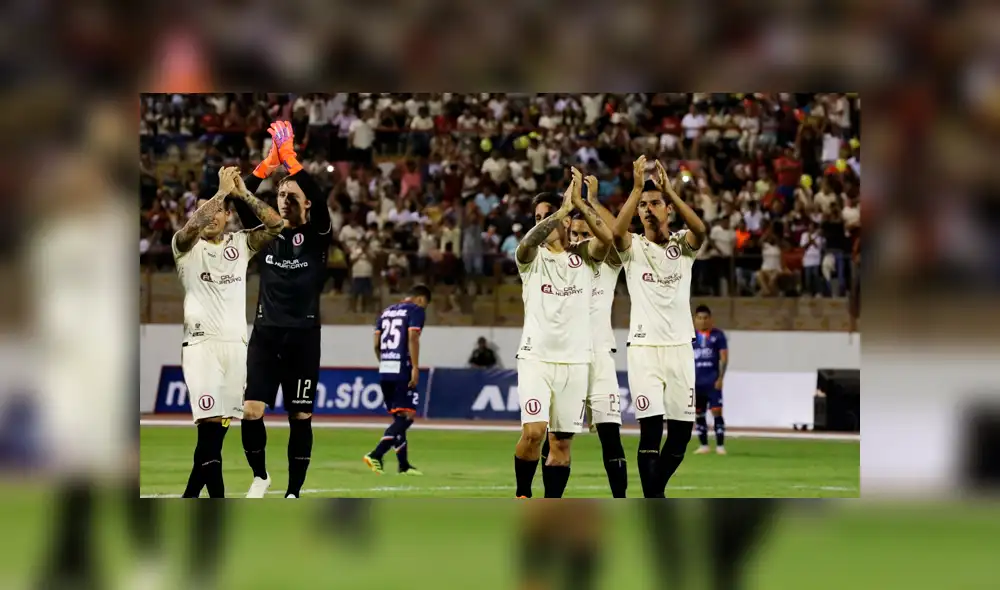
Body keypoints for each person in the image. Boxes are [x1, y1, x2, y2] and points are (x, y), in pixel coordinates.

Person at [232, 121, 333, 499]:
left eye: (293, 195)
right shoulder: (265, 233)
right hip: (266, 334)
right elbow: (239, 199)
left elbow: (319, 195)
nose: (284, 199)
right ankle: (260, 476)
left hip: (303, 337)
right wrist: (267, 165)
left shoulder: (318, 233)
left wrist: (290, 159)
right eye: (281, 194)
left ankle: (293, 492)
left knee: (300, 416)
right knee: (251, 410)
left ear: (307, 204)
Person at [173, 166, 283, 498]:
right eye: (204, 211)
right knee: (209, 429)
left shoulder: (240, 244)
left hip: (236, 347)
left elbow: (276, 225)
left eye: (219, 210)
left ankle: (190, 497)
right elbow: (192, 227)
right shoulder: (185, 247)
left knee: (215, 436)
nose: (211, 216)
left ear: (228, 216)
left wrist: (242, 193)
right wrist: (221, 193)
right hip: (201, 346)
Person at [513, 168, 614, 499]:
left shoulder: (583, 257)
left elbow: (608, 240)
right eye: (537, 217)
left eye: (548, 216)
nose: (541, 223)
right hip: (536, 359)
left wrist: (581, 204)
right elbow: (528, 241)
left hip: (575, 362)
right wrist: (561, 211)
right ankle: (523, 494)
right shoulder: (530, 258)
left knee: (561, 445)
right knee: (534, 433)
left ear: (568, 222)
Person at [611, 155, 707, 498]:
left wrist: (671, 192)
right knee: (650, 432)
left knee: (681, 435)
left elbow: (701, 231)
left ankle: (654, 491)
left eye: (655, 203)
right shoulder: (632, 247)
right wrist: (636, 188)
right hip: (644, 349)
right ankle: (654, 499)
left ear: (668, 209)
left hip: (680, 347)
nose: (648, 209)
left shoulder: (682, 245)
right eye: (643, 205)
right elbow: (616, 233)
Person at [541, 175, 628, 497]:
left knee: (610, 437)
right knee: (556, 439)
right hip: (565, 358)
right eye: (574, 232)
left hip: (600, 356)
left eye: (584, 233)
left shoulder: (610, 262)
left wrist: (589, 202)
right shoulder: (556, 263)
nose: (577, 238)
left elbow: (616, 234)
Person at [363, 284, 433, 475]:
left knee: (399, 417)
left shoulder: (385, 312)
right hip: (403, 367)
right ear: (421, 299)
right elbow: (413, 337)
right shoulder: (416, 310)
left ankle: (403, 465)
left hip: (386, 367)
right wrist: (415, 367)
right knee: (408, 415)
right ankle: (376, 454)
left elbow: (376, 344)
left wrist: (384, 362)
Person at [692, 305, 729, 455]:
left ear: (710, 319)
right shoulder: (690, 336)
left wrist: (720, 378)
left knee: (716, 411)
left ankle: (720, 446)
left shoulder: (718, 335)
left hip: (712, 381)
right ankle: (704, 445)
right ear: (695, 319)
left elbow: (724, 358)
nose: (702, 321)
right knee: (698, 413)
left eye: (705, 318)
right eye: (699, 318)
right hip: (696, 382)